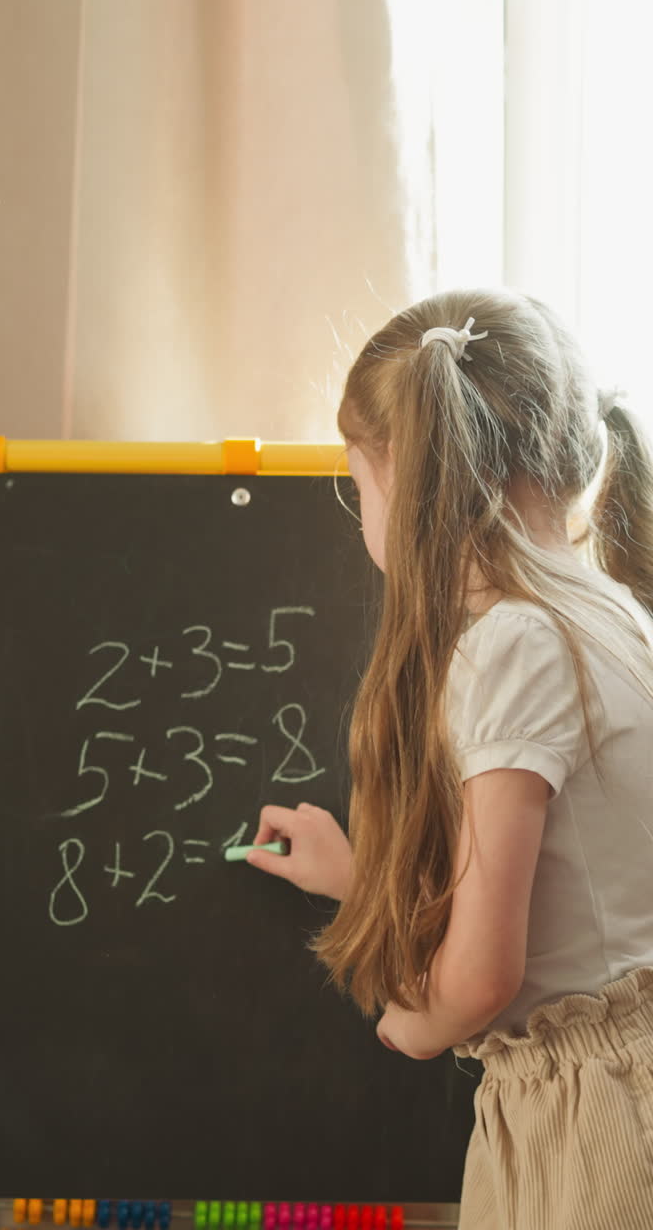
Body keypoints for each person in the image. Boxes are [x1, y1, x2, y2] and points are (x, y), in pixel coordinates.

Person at [245, 288, 653, 1230]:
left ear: (418, 484)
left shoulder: (511, 647)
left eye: (359, 488)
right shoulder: (605, 610)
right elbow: (568, 904)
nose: (360, 517)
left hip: (591, 1121)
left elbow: (481, 978)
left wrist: (414, 1024)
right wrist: (359, 882)